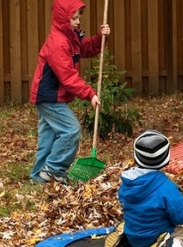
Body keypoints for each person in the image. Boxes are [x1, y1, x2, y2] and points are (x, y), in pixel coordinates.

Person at [29, 0, 111, 183]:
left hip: (50, 95)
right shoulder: (58, 44)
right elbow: (67, 77)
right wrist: (89, 94)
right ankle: (55, 170)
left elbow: (86, 49)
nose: (78, 21)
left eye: (79, 16)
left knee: (48, 138)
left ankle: (38, 178)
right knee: (71, 130)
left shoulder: (70, 37)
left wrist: (100, 38)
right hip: (49, 96)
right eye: (73, 18)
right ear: (62, 20)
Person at [104, 130, 183, 247]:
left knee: (135, 222)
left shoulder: (127, 183)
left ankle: (125, 235)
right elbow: (180, 217)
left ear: (136, 157)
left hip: (135, 238)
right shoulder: (167, 188)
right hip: (155, 238)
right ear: (166, 159)